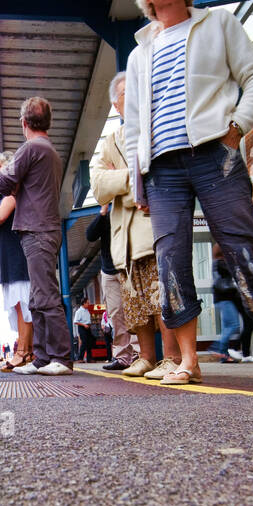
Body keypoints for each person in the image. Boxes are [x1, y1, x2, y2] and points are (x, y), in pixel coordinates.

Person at [125, 0, 253, 384]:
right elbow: (132, 127)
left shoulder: (219, 24)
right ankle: (189, 359)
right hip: (162, 169)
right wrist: (137, 179)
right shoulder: (138, 52)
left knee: (244, 244)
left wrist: (238, 126)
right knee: (170, 258)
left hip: (215, 155)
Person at [91, 72, 182, 380]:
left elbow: (159, 176)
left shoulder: (158, 127)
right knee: (135, 303)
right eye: (128, 94)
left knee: (160, 297)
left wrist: (123, 184)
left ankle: (172, 357)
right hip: (123, 238)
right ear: (117, 105)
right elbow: (99, 186)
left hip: (152, 227)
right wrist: (132, 180)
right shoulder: (111, 141)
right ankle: (146, 357)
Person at [0, 96, 74, 375]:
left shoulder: (30, 149)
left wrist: (9, 176)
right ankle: (41, 358)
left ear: (23, 123)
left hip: (37, 229)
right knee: (37, 297)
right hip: (43, 228)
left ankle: (61, 358)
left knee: (45, 294)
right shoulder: (50, 150)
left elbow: (2, 182)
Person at [0, 151, 34, 371]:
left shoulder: (11, 193)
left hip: (18, 256)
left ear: (8, 168)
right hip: (8, 261)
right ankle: (28, 351)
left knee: (23, 305)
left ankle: (22, 352)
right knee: (19, 305)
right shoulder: (0, 198)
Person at [85, 200, 139, 371]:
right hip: (108, 270)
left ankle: (140, 355)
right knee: (116, 314)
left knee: (134, 312)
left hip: (128, 267)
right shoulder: (105, 214)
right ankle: (123, 357)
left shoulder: (131, 207)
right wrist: (102, 212)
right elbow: (90, 235)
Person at [210, 243, 242, 363]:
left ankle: (224, 355)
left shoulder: (217, 263)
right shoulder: (221, 263)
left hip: (221, 298)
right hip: (225, 298)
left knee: (226, 327)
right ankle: (217, 348)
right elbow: (233, 274)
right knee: (234, 325)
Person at [73, 298, 93, 362]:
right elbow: (75, 321)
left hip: (88, 327)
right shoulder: (79, 311)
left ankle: (89, 358)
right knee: (84, 343)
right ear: (83, 303)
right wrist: (84, 325)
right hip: (82, 327)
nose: (88, 304)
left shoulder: (87, 310)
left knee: (89, 343)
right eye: (87, 303)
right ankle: (80, 358)